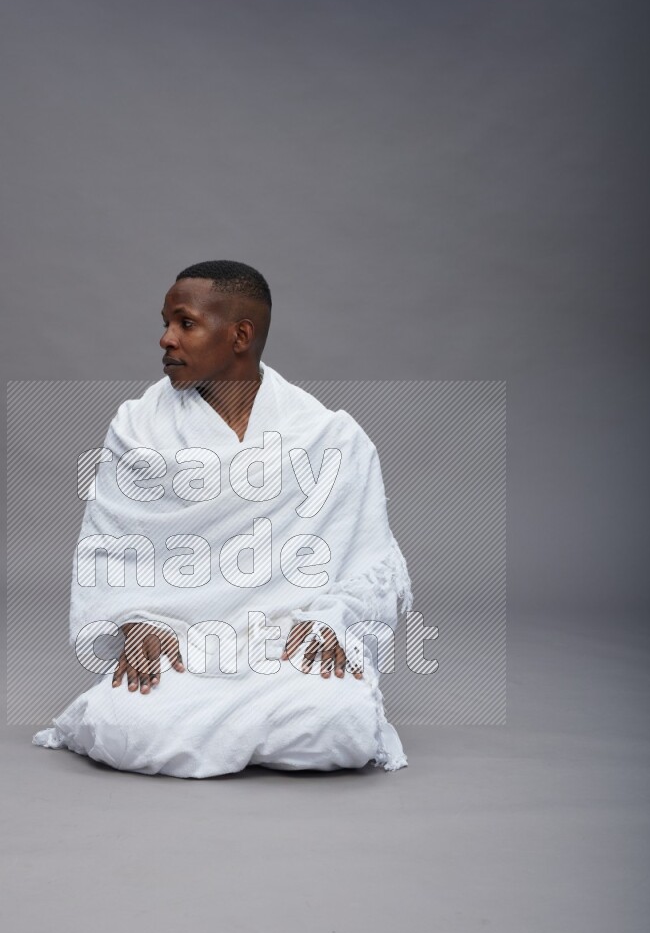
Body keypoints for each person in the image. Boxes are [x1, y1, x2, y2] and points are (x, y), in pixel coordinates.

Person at [32, 260, 412, 778]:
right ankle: (250, 728)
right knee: (122, 724)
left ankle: (229, 725)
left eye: (184, 323)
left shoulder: (328, 437)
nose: (166, 339)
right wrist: (136, 618)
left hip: (286, 643)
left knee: (341, 721)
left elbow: (366, 558)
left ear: (240, 335)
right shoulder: (137, 427)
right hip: (179, 642)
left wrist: (331, 620)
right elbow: (108, 547)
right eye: (165, 323)